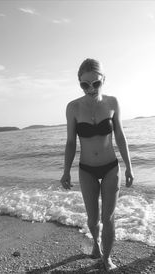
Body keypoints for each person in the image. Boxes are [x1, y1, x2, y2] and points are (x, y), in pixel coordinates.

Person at [60, 58, 134, 271]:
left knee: (108, 217)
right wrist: (66, 171)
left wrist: (129, 166)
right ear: (79, 83)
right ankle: (95, 243)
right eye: (85, 84)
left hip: (111, 166)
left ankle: (106, 258)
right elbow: (70, 142)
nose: (90, 88)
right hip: (87, 170)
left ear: (104, 80)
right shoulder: (73, 108)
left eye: (96, 83)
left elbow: (120, 136)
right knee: (93, 219)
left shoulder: (112, 103)